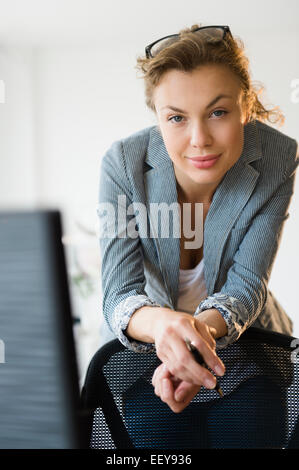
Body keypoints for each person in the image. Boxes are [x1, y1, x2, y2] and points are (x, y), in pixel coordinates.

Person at [97, 24, 298, 418]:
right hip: (146, 363)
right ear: (157, 117)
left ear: (247, 105)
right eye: (176, 118)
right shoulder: (123, 164)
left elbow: (246, 284)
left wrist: (197, 336)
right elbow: (119, 295)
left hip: (248, 353)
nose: (199, 138)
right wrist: (169, 330)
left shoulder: (278, 156)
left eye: (218, 112)